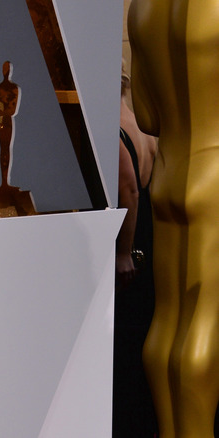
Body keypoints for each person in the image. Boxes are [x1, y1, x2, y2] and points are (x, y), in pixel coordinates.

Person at [129, 1, 219, 436]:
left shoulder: (145, 7)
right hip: (216, 172)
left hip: (170, 174)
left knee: (167, 326)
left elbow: (147, 116)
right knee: (205, 327)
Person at [113, 70, 158, 437]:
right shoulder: (143, 128)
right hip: (149, 238)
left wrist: (123, 252)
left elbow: (129, 191)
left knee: (125, 344)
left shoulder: (115, 129)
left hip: (130, 247)